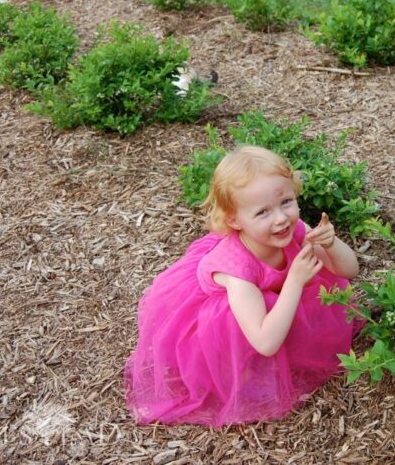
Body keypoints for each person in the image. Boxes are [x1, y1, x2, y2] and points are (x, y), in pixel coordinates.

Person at [124, 145, 360, 427]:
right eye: (262, 212)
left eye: (286, 201)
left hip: (264, 294)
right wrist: (295, 281)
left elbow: (348, 270)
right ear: (234, 220)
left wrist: (331, 244)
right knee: (247, 340)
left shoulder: (290, 229)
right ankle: (238, 368)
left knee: (296, 301)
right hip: (228, 317)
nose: (280, 217)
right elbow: (265, 343)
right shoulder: (236, 270)